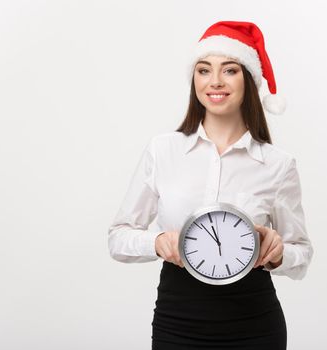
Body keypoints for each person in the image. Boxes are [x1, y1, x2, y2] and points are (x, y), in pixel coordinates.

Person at [108, 21, 314, 350]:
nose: (215, 81)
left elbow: (301, 254)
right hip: (178, 321)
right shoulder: (163, 150)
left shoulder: (278, 165)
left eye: (229, 70)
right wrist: (158, 242)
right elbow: (118, 238)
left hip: (254, 325)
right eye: (204, 70)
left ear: (248, 80)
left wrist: (277, 254)